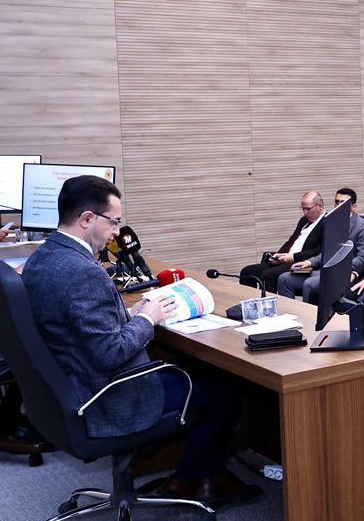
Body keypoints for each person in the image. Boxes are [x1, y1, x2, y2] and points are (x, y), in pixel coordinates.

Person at [23, 175, 253, 504]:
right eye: (113, 222)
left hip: (67, 387)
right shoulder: (83, 271)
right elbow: (110, 353)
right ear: (86, 219)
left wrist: (128, 315)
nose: (116, 232)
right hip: (107, 397)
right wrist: (148, 318)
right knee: (223, 388)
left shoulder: (43, 256)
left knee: (192, 370)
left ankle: (196, 473)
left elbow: (75, 324)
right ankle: (192, 479)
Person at [278, 207, 364, 302]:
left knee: (309, 284)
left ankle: (310, 312)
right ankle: (290, 311)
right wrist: (309, 262)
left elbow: (363, 257)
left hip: (345, 272)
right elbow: (327, 251)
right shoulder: (333, 222)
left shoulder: (362, 226)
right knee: (284, 279)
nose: (339, 205)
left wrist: (341, 267)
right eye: (337, 202)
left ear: (353, 206)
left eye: (342, 202)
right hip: (325, 270)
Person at [240, 190, 326, 290]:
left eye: (308, 209)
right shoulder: (304, 220)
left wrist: (293, 257)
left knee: (268, 275)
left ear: (320, 205)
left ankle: (269, 300)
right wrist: (279, 255)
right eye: (303, 209)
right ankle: (251, 299)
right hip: (287, 260)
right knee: (247, 272)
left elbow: (319, 250)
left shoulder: (327, 222)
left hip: (303, 264)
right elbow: (291, 241)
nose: (305, 213)